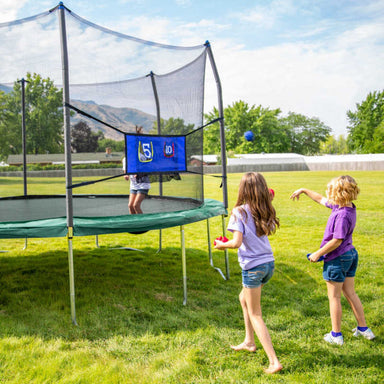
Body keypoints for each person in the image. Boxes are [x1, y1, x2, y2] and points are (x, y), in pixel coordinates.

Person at [290, 175, 375, 346]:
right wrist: (304, 190)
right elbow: (320, 199)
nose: (326, 194)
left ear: (338, 193)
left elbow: (337, 240)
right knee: (350, 293)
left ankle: (336, 335)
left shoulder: (342, 215)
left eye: (330, 190)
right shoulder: (345, 206)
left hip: (338, 257)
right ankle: (364, 329)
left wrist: (317, 253)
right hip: (350, 255)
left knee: (334, 297)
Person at [214, 172, 283, 374]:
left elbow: (236, 242)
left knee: (255, 314)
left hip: (253, 268)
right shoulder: (264, 209)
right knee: (243, 298)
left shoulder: (239, 212)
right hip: (268, 264)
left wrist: (221, 245)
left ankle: (273, 361)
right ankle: (249, 342)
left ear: (243, 190)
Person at [123, 126, 150, 214]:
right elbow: (125, 172)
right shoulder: (125, 159)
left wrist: (139, 173)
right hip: (133, 185)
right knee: (130, 206)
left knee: (136, 205)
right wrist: (126, 175)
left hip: (143, 183)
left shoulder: (141, 157)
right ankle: (135, 224)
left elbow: (147, 168)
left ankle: (144, 224)